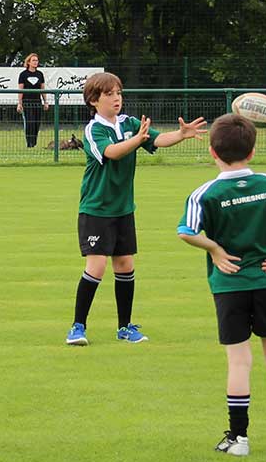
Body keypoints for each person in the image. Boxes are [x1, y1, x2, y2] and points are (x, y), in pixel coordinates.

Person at [177, 114, 266, 455]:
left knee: (239, 360)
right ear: (252, 151)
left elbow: (186, 232)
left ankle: (238, 438)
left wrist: (214, 248)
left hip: (229, 286)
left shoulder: (205, 194)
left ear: (212, 151)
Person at [66, 72, 205, 345]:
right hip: (96, 209)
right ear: (94, 100)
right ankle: (77, 327)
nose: (116, 98)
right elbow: (113, 152)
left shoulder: (130, 123)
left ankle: (125, 327)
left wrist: (181, 134)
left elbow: (156, 139)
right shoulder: (93, 130)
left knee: (125, 264)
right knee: (96, 267)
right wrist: (138, 139)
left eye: (118, 93)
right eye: (109, 94)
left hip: (123, 209)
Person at [17, 54, 47, 149]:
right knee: (30, 122)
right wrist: (20, 103)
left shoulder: (40, 74)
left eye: (37, 60)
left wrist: (45, 101)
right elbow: (21, 90)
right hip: (27, 102)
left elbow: (42, 89)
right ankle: (29, 144)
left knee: (37, 123)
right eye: (33, 60)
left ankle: (34, 143)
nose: (35, 62)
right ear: (28, 62)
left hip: (37, 102)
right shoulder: (23, 75)